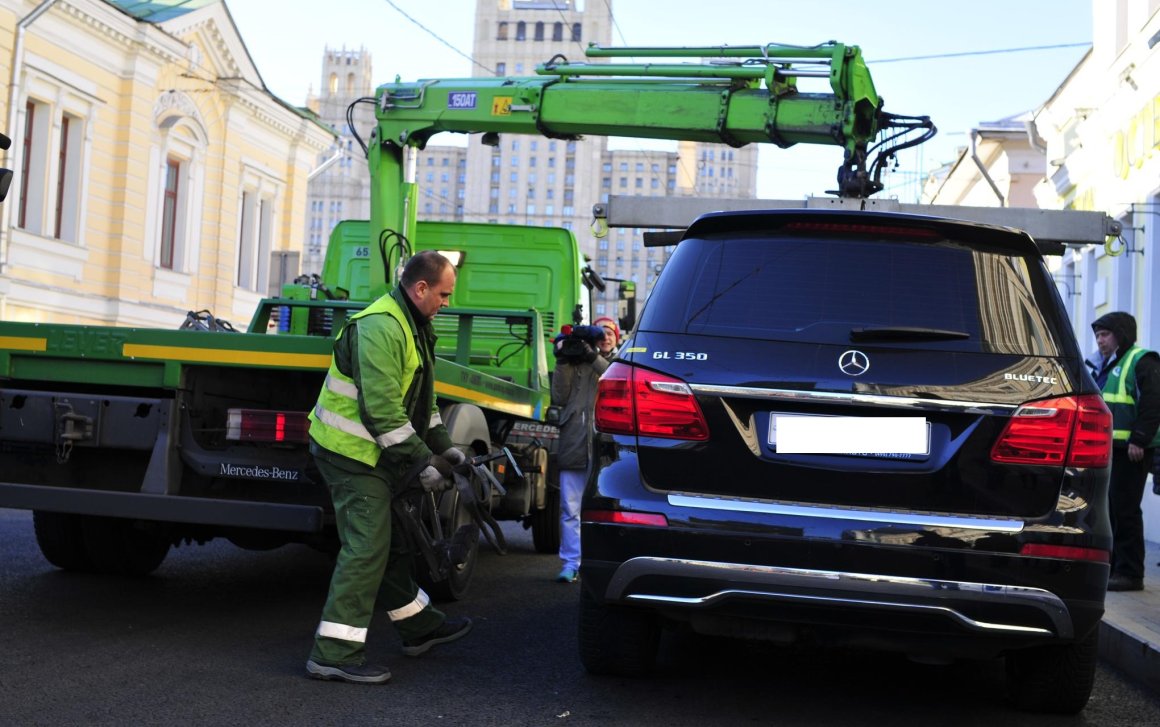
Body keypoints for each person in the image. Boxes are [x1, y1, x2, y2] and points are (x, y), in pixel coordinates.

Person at [304, 250, 472, 684]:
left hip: (373, 455)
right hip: (350, 455)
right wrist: (423, 463)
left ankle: (419, 627)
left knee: (393, 544)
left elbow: (422, 403)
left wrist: (445, 448)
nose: (447, 303)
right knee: (367, 547)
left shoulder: (413, 324)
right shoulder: (381, 326)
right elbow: (381, 412)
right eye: (443, 294)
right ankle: (333, 654)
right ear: (420, 289)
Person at [1088, 312, 1160, 592]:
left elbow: (1153, 403)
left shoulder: (1142, 360)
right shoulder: (1106, 365)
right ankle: (1117, 568)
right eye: (1097, 335)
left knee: (1125, 510)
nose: (1100, 341)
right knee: (1112, 510)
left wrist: (1139, 439)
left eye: (1105, 335)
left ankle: (1130, 573)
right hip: (1111, 451)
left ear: (1120, 334)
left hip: (1132, 451)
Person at [551, 319, 618, 583]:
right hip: (574, 441)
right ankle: (570, 563)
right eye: (601, 333)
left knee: (607, 509)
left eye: (610, 332)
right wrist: (563, 360)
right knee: (570, 508)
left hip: (605, 446)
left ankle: (604, 562)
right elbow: (559, 396)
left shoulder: (619, 361)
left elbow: (611, 375)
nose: (605, 337)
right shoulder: (576, 362)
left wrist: (592, 357)